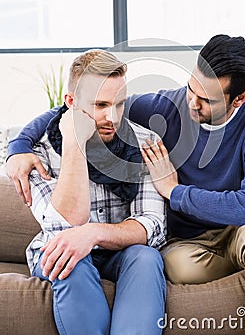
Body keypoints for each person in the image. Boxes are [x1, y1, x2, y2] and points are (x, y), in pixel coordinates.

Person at [7, 35, 245, 334]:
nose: (192, 102)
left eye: (206, 99)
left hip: (242, 227)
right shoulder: (164, 108)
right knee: (162, 264)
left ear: (239, 98)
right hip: (189, 243)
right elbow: (72, 108)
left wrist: (174, 190)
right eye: (191, 88)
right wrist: (19, 144)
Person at [7, 49, 167, 335]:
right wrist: (74, 141)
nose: (112, 117)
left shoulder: (145, 142)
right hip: (60, 250)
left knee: (146, 257)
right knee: (68, 258)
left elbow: (151, 225)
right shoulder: (37, 153)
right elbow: (65, 225)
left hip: (122, 252)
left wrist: (94, 233)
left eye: (119, 104)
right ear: (71, 102)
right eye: (100, 105)